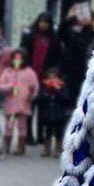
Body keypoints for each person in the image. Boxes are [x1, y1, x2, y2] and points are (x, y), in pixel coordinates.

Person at [20, 12, 63, 144]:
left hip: (46, 77)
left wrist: (54, 72)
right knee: (29, 106)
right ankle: (28, 135)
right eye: (41, 22)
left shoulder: (54, 39)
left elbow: (58, 57)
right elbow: (22, 53)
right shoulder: (29, 36)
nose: (43, 24)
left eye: (46, 22)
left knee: (43, 108)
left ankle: (41, 136)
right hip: (30, 76)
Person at [0, 49, 39, 156]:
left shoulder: (29, 73)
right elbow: (0, 85)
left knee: (22, 126)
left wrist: (31, 96)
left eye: (20, 59)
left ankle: (21, 148)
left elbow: (35, 87)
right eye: (15, 58)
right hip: (11, 106)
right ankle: (7, 146)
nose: (17, 61)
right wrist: (9, 87)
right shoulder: (8, 72)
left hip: (23, 106)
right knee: (9, 126)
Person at [58, 6, 94, 99]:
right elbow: (60, 34)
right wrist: (67, 18)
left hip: (86, 69)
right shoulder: (71, 31)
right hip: (70, 70)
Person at [35, 67, 73, 158]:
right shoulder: (44, 87)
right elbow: (39, 99)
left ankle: (58, 149)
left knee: (58, 132)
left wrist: (58, 91)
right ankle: (46, 148)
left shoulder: (62, 86)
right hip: (47, 113)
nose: (52, 80)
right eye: (50, 78)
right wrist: (47, 94)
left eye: (54, 77)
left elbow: (66, 99)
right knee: (47, 132)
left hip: (59, 113)